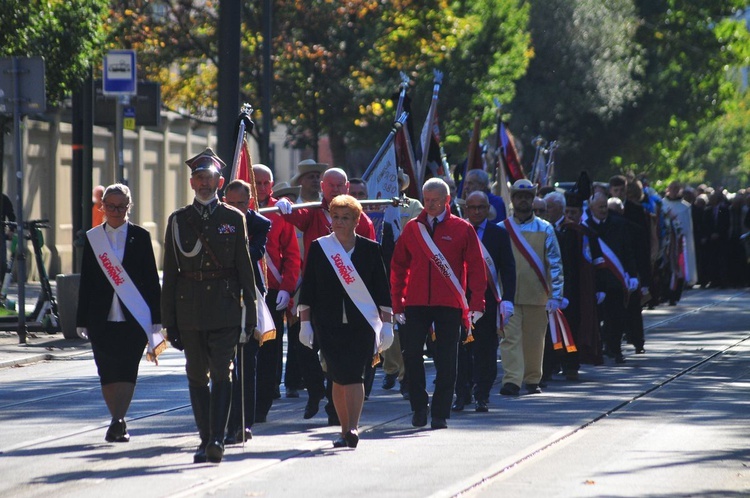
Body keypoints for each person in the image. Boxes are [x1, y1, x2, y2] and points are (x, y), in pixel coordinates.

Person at [162, 147, 257, 464]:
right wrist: (169, 321)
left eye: (210, 178)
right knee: (195, 375)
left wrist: (251, 316)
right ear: (192, 183)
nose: (204, 184)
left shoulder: (233, 218)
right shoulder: (178, 221)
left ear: (219, 183)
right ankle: (204, 440)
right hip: (189, 310)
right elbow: (171, 274)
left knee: (221, 373)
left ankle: (217, 439)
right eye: (199, 178)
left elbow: (245, 269)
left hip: (226, 308)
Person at [276, 167, 376, 424]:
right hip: (318, 290)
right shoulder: (311, 211)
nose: (335, 189)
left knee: (341, 356)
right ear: (322, 186)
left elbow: (372, 258)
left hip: (354, 296)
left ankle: (338, 410)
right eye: (330, 185)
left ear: (346, 187)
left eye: (339, 185)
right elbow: (292, 218)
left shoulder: (361, 220)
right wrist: (284, 204)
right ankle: (315, 391)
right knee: (304, 346)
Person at [390, 178, 486, 429]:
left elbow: (476, 267)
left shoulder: (462, 228)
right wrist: (397, 303)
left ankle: (440, 413)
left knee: (447, 359)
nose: (429, 205)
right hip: (415, 302)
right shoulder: (412, 228)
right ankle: (419, 407)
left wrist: (477, 302)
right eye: (426, 199)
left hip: (449, 303)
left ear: (447, 200)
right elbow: (398, 266)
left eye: (434, 200)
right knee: (411, 356)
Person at [298, 194, 392, 448]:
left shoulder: (371, 249)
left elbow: (382, 291)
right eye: (335, 217)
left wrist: (388, 324)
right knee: (337, 377)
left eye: (345, 218)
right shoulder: (320, 247)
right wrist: (305, 322)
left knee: (354, 374)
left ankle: (353, 427)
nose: (339, 222)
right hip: (327, 323)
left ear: (357, 220)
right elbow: (308, 288)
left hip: (361, 323)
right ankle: (343, 428)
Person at [76, 183, 164, 443]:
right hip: (100, 316)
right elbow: (87, 281)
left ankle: (119, 419)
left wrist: (157, 318)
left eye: (121, 206)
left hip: (134, 317)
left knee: (127, 368)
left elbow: (150, 279)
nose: (116, 211)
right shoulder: (94, 238)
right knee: (106, 369)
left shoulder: (141, 236)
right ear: (102, 206)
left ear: (129, 206)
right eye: (111, 206)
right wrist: (80, 319)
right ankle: (115, 416)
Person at [498, 179, 563, 396]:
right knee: (510, 339)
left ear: (533, 199)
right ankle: (512, 381)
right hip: (509, 296)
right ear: (513, 199)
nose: (523, 200)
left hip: (537, 294)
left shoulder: (545, 228)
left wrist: (556, 295)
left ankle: (533, 379)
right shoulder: (501, 229)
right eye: (519, 196)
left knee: (535, 341)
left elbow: (554, 263)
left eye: (527, 197)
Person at [453, 191, 515, 412]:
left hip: (488, 302)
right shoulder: (457, 230)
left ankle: (482, 394)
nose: (477, 211)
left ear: (488, 208)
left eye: (481, 207)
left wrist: (508, 299)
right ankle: (461, 394)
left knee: (486, 351)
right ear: (466, 209)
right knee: (460, 351)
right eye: (472, 207)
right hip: (461, 301)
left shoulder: (498, 234)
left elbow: (508, 268)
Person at [222, 179, 272, 444]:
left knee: (247, 363)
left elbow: (255, 252)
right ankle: (225, 421)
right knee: (223, 364)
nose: (237, 209)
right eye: (231, 204)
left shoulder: (260, 224)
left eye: (241, 203)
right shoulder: (216, 221)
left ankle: (244, 424)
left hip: (250, 298)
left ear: (250, 202)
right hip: (221, 299)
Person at [250, 164, 301, 416]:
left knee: (270, 349)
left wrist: (288, 289)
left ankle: (264, 402)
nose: (260, 187)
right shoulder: (236, 208)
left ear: (271, 184)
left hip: (272, 290)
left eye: (265, 183)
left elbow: (292, 256)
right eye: (256, 182)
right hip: (244, 288)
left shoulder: (280, 211)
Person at [380, 168, 422, 398]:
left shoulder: (413, 206)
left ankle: (406, 375)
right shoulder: (375, 204)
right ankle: (390, 367)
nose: (391, 185)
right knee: (386, 321)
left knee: (404, 324)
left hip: (405, 269)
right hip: (382, 268)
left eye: (395, 181)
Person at [583, 192, 638, 364]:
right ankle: (597, 351)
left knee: (616, 317)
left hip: (615, 280)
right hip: (596, 281)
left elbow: (628, 251)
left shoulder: (619, 224)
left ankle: (615, 349)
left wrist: (632, 275)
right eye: (600, 207)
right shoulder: (585, 227)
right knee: (597, 318)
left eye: (605, 206)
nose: (603, 210)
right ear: (591, 208)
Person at [0, 193, 16, 285]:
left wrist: (11, 230)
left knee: (2, 262)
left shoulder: (3, 198)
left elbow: (11, 216)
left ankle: (3, 288)